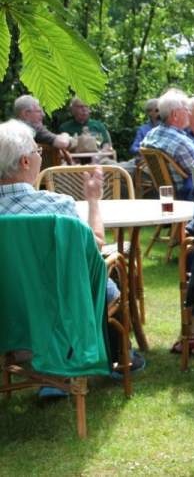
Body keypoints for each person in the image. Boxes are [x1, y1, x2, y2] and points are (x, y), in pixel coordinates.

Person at [0, 119, 144, 382]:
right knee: (109, 273)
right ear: (24, 162)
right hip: (62, 304)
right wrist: (93, 200)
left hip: (8, 307)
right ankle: (120, 358)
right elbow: (96, 244)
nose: (39, 158)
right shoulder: (57, 207)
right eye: (37, 152)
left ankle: (29, 357)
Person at [140, 89, 194, 198]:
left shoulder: (150, 135)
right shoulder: (181, 142)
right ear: (175, 114)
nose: (189, 113)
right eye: (187, 109)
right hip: (186, 196)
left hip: (165, 192)